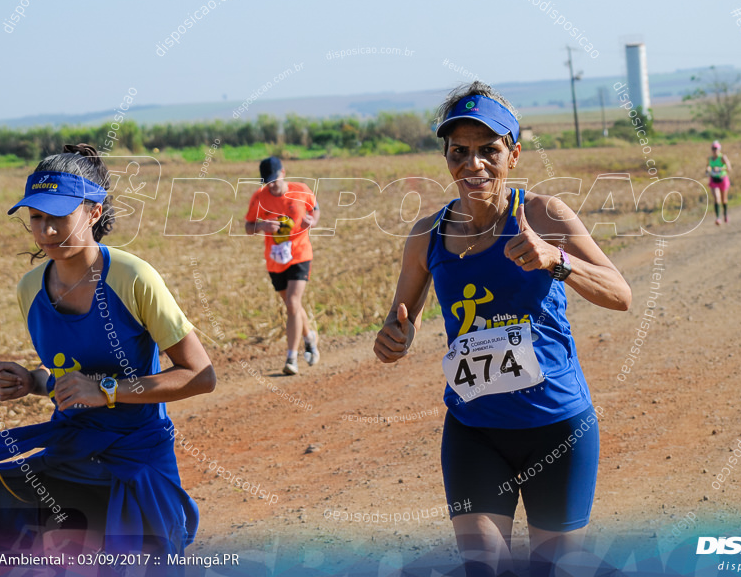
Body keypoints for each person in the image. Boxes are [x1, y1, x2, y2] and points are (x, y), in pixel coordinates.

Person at [372, 83, 631, 577]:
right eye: (459, 152)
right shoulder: (427, 235)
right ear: (446, 158)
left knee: (551, 569)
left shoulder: (543, 214)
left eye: (488, 150)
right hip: (474, 430)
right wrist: (393, 340)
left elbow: (620, 294)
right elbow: (398, 322)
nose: (473, 165)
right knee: (484, 567)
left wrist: (557, 260)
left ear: (513, 153)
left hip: (557, 427)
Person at [0, 144, 217, 567]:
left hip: (133, 466)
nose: (45, 231)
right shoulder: (30, 290)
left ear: (93, 212)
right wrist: (31, 382)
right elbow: (65, 377)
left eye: (58, 216)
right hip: (69, 458)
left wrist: (107, 391)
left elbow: (201, 375)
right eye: (36, 218)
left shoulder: (134, 278)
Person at [244, 156, 320, 375]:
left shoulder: (301, 190)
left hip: (300, 253)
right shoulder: (259, 198)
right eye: (268, 181)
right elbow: (248, 227)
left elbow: (314, 211)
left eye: (275, 180)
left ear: (283, 173)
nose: (272, 185)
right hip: (275, 259)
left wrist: (311, 222)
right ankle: (309, 337)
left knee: (293, 302)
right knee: (291, 305)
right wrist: (262, 225)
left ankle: (291, 358)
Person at [705, 141, 732, 225]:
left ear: (719, 149)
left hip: (722, 179)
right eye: (713, 148)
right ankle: (718, 218)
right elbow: (707, 167)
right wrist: (708, 170)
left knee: (724, 200)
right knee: (717, 198)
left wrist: (719, 169)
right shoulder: (710, 159)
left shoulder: (722, 157)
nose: (714, 150)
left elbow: (729, 168)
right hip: (713, 180)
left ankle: (725, 214)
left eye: (716, 148)